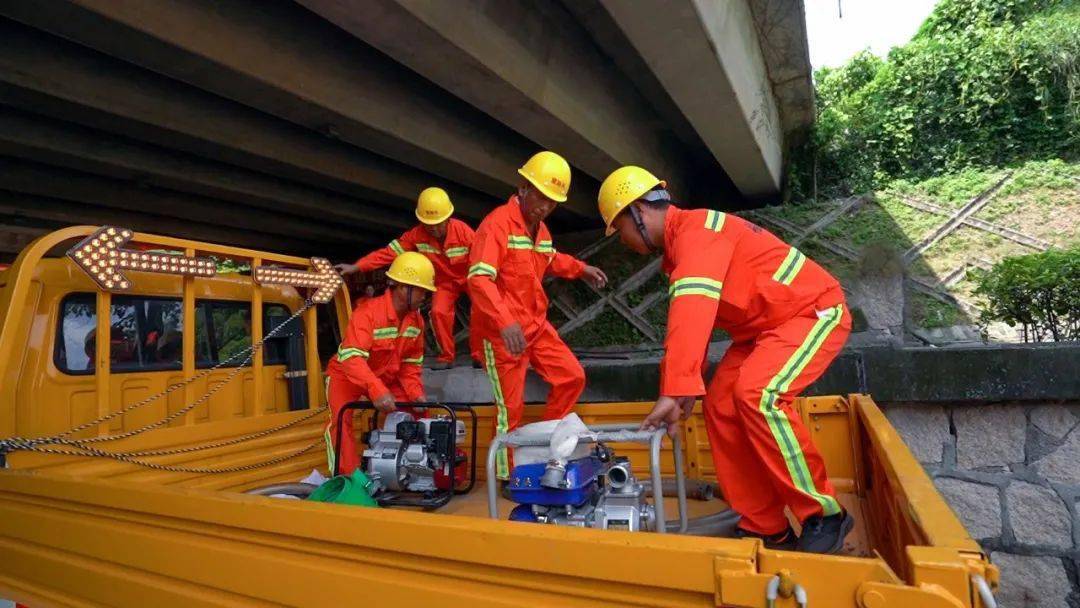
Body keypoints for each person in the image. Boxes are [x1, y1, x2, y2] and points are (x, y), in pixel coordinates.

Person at [596, 165, 854, 554]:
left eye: (621, 233)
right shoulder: (689, 241)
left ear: (638, 212)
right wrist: (681, 391)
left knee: (758, 393)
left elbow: (692, 310)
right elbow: (692, 324)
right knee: (719, 405)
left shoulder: (698, 233)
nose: (626, 244)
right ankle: (765, 526)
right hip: (762, 331)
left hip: (811, 312)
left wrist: (675, 388)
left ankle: (824, 514)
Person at [468, 151, 608, 480]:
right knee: (510, 412)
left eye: (552, 202)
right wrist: (505, 322)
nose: (544, 207)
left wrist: (582, 268)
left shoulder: (540, 230)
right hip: (502, 335)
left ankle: (547, 440)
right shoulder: (497, 225)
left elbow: (551, 258)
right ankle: (506, 476)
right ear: (522, 189)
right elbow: (478, 278)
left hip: (535, 326)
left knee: (571, 376)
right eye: (540, 197)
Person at [336, 187, 474, 369]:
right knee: (439, 312)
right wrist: (357, 266)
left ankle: (478, 355)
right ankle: (447, 357)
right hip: (444, 283)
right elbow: (387, 254)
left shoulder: (464, 232)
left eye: (438, 223)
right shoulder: (416, 236)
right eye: (428, 224)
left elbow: (483, 256)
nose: (433, 228)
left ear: (448, 218)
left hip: (469, 276)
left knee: (481, 310)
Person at [324, 252, 435, 476]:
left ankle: (415, 471)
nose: (425, 296)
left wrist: (416, 395)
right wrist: (376, 390)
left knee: (418, 412)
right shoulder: (368, 314)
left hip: (386, 376)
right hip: (347, 374)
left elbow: (410, 365)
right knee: (340, 421)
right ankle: (349, 478)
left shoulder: (416, 320)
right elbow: (352, 358)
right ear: (404, 288)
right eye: (423, 290)